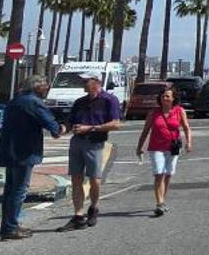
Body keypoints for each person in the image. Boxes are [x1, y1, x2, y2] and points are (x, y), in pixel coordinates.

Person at [0, 77, 62, 240]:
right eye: (44, 85)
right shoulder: (33, 102)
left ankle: (8, 224)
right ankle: (10, 228)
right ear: (36, 87)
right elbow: (53, 126)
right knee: (19, 190)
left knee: (10, 190)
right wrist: (61, 127)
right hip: (24, 152)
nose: (46, 88)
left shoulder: (15, 101)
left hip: (8, 151)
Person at [58, 74, 123, 231]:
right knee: (76, 178)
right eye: (83, 81)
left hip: (95, 143)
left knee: (94, 179)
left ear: (96, 83)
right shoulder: (80, 102)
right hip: (77, 142)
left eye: (86, 81)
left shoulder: (109, 100)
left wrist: (92, 128)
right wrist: (63, 128)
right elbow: (70, 121)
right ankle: (78, 216)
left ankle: (94, 207)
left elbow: (116, 124)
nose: (83, 84)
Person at [135, 88, 190, 217]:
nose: (164, 98)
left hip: (173, 147)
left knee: (168, 174)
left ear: (173, 99)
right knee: (159, 173)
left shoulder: (179, 111)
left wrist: (189, 142)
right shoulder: (154, 113)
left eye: (167, 96)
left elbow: (187, 128)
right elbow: (145, 130)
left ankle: (162, 200)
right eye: (162, 96)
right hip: (156, 147)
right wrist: (139, 147)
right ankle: (159, 203)